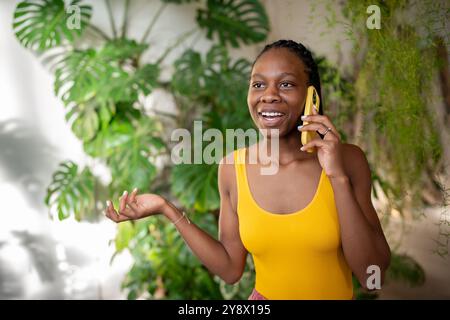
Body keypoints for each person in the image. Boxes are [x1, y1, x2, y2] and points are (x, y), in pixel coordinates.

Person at [105, 39, 391, 300]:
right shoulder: (232, 168)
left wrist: (337, 177)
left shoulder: (348, 161)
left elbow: (371, 275)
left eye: (286, 84)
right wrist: (167, 208)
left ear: (311, 96)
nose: (268, 95)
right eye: (258, 84)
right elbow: (230, 269)